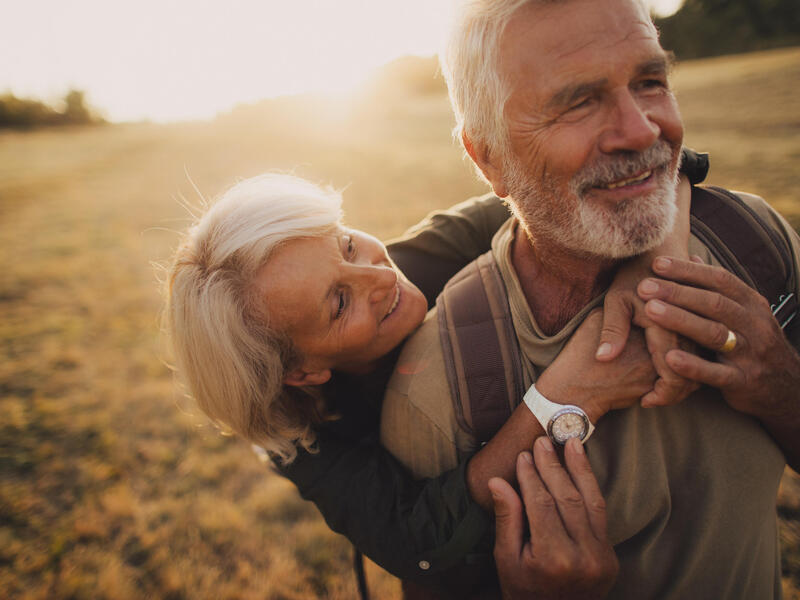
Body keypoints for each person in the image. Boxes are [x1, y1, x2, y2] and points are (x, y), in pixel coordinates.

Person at [380, 0, 800, 597]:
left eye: (650, 82)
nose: (642, 130)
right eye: (577, 101)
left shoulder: (752, 241)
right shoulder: (438, 392)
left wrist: (782, 385)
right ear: (488, 158)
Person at [164, 160, 699, 593]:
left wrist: (655, 271)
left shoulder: (415, 255)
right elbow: (415, 537)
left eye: (347, 244)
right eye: (339, 303)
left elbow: (630, 168)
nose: (379, 273)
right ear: (303, 373)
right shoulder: (300, 439)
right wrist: (566, 396)